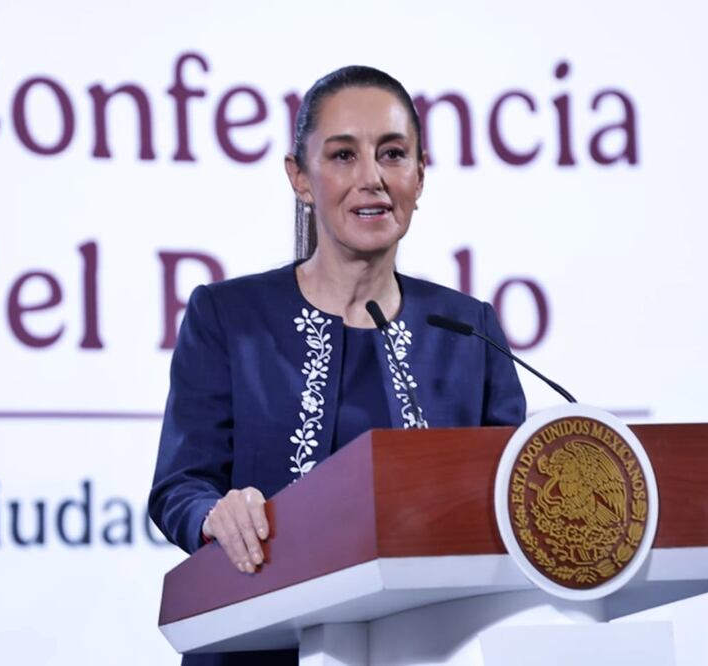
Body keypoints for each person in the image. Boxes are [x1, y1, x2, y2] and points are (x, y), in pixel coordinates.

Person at [149, 65, 527, 666]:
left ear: (420, 175)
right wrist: (214, 516)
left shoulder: (468, 329)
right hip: (256, 643)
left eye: (393, 154)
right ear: (300, 179)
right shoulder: (228, 316)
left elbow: (515, 495)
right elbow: (179, 487)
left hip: (428, 647)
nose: (372, 178)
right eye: (344, 156)